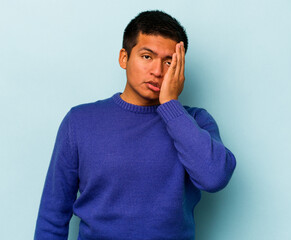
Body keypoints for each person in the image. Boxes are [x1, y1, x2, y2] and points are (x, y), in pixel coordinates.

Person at [34, 10, 236, 240]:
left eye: (169, 62)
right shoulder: (80, 121)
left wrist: (170, 105)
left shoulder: (196, 122)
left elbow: (214, 178)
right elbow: (52, 216)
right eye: (147, 56)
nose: (158, 71)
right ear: (124, 58)